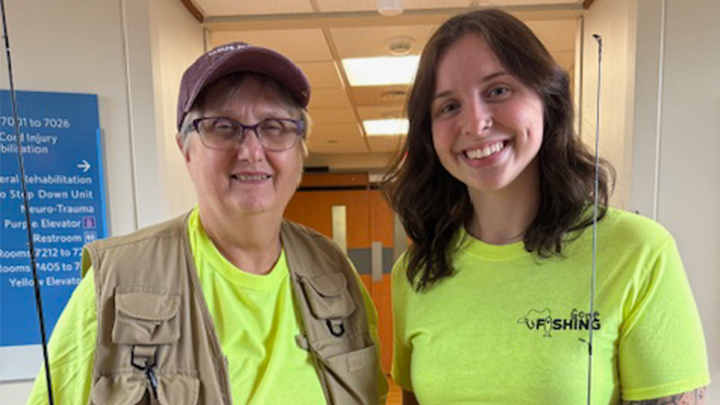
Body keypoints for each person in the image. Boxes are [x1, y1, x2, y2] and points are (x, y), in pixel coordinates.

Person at [27, 42, 387, 405]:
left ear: (299, 151)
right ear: (185, 150)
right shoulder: (116, 283)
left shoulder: (335, 274)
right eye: (223, 127)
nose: (250, 151)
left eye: (274, 127)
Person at [384, 9, 709, 405]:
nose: (475, 122)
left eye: (498, 90)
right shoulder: (417, 272)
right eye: (448, 107)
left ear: (547, 100)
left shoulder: (637, 251)